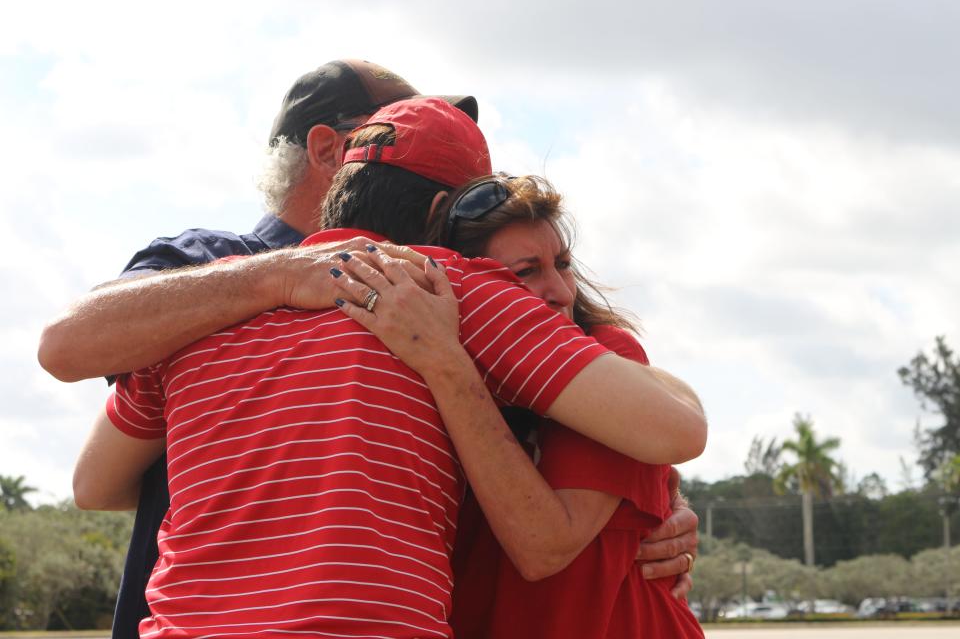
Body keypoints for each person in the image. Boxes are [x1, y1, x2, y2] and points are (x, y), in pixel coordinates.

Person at [45, 59, 696, 635]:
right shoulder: (449, 288)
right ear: (445, 209)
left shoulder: (190, 309)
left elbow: (93, 483)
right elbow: (673, 429)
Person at [331, 174, 704, 637]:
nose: (562, 292)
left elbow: (542, 547)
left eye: (562, 264)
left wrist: (445, 362)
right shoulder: (406, 371)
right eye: (526, 272)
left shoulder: (606, 356)